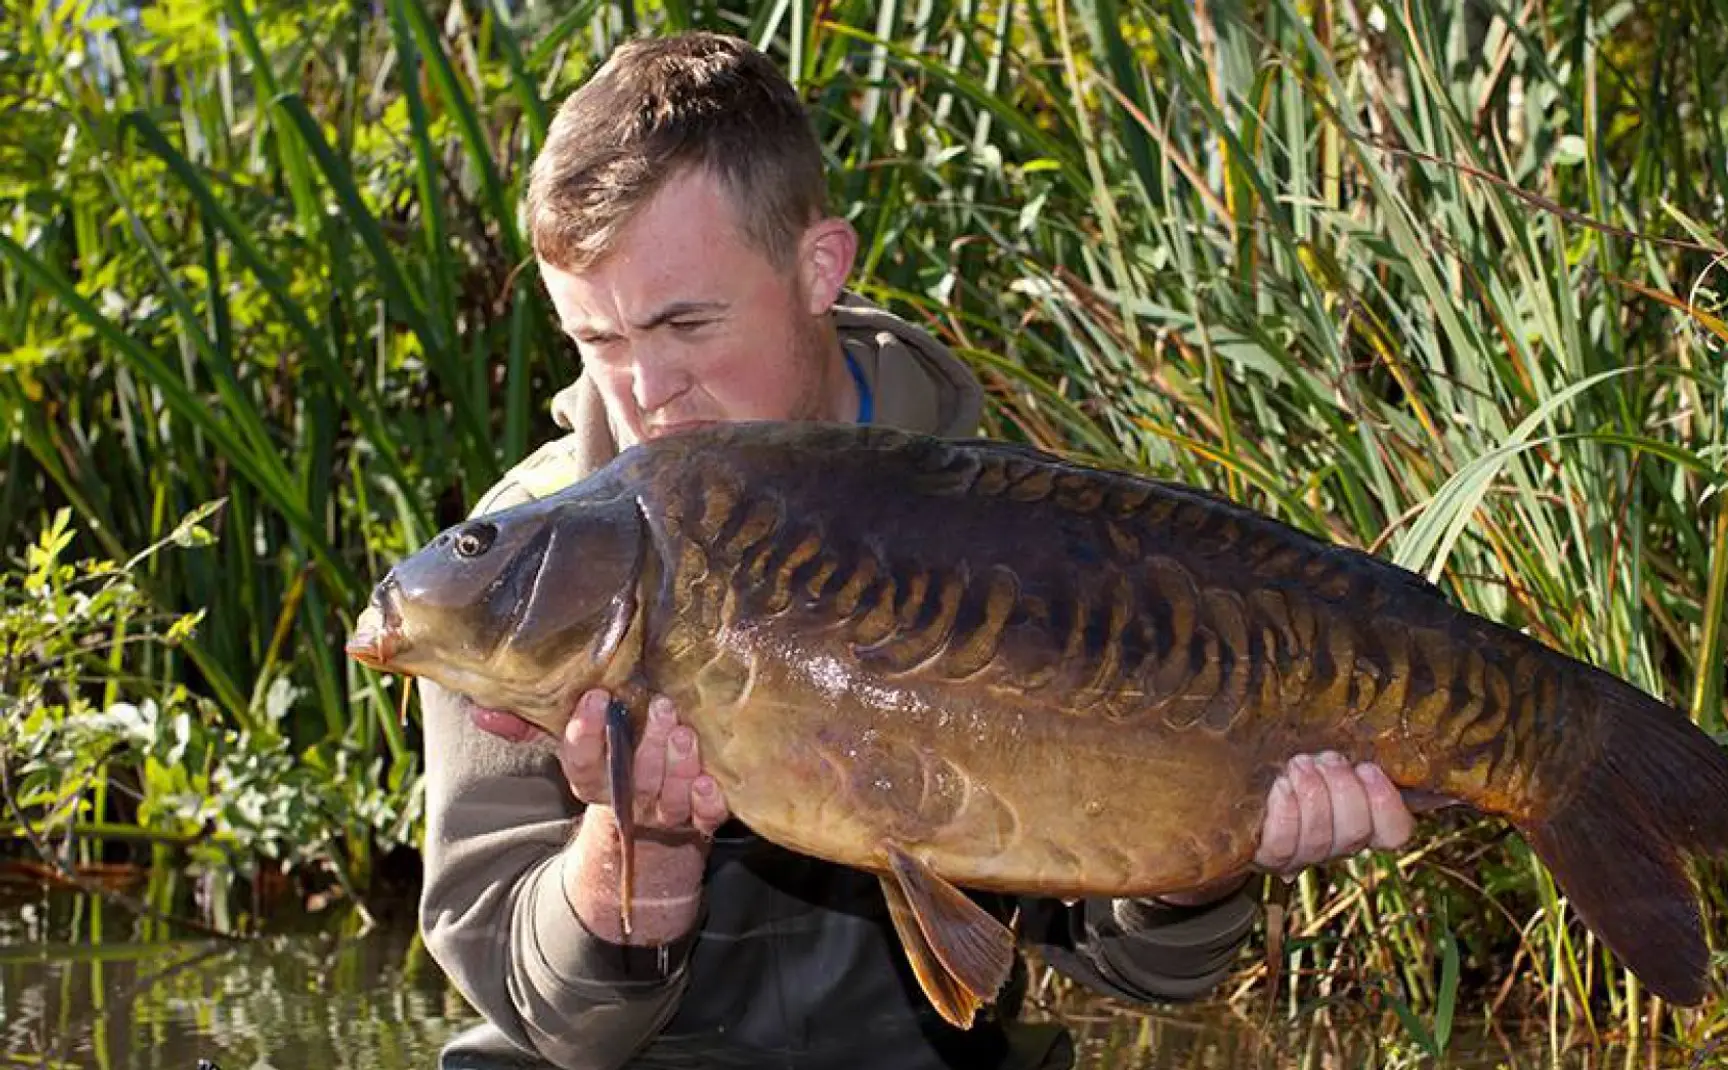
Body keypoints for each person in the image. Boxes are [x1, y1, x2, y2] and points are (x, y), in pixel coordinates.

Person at [416, 31, 1417, 1070]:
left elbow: (1148, 975)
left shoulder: (1016, 531)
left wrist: (1206, 860)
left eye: (687, 324)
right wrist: (638, 850)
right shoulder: (512, 583)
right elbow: (551, 1024)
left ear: (818, 266)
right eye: (598, 340)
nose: (643, 389)